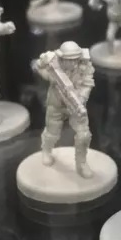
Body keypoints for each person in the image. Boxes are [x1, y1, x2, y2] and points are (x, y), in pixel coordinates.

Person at [35, 41, 95, 177]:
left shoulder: (85, 66)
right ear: (61, 58)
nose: (73, 63)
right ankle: (46, 151)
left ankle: (81, 163)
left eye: (75, 59)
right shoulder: (53, 61)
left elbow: (87, 83)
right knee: (52, 132)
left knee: (84, 135)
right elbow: (39, 66)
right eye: (69, 60)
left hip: (76, 104)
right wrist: (48, 73)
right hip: (56, 103)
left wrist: (81, 99)